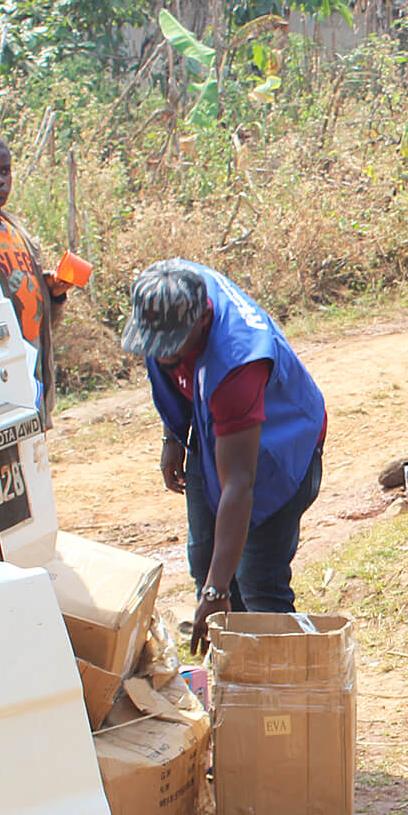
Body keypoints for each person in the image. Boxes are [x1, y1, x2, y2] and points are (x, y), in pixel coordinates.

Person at [120, 259, 327, 654]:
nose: (163, 357)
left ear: (201, 322)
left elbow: (239, 484)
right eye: (154, 347)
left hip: (278, 444)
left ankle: (278, 692)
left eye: (171, 348)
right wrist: (174, 436)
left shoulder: (237, 364)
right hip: (217, 427)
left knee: (256, 581)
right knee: (205, 560)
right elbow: (169, 366)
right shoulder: (170, 293)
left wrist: (216, 592)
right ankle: (233, 682)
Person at [0, 128, 73, 416]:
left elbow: (39, 312)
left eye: (5, 171)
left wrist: (54, 294)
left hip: (30, 357)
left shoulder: (16, 231)